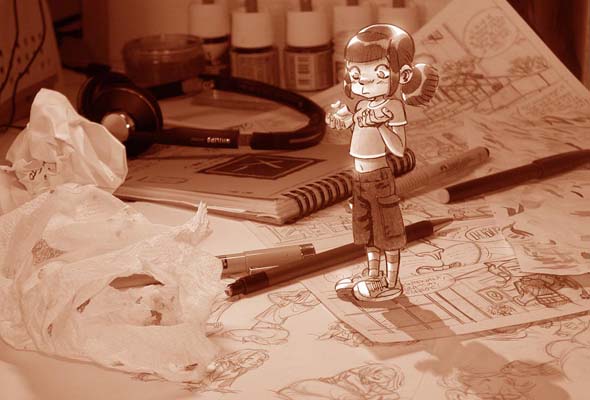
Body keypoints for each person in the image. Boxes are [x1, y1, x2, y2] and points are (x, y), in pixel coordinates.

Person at [326, 24, 438, 302]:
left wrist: (382, 126)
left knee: (387, 231)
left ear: (403, 75)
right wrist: (339, 120)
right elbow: (353, 129)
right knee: (366, 231)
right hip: (359, 178)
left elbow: (398, 149)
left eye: (379, 74)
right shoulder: (362, 105)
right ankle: (372, 275)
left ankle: (391, 282)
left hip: (379, 177)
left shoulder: (393, 107)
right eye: (356, 75)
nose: (363, 83)